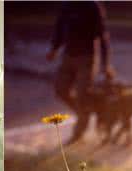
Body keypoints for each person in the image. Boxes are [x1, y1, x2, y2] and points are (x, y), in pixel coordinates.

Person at [46, 1, 115, 144]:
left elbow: (103, 38)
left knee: (81, 95)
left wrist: (106, 65)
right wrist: (54, 49)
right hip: (67, 56)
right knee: (60, 90)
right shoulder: (66, 5)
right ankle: (87, 111)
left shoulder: (92, 6)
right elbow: (59, 30)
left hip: (87, 58)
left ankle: (78, 134)